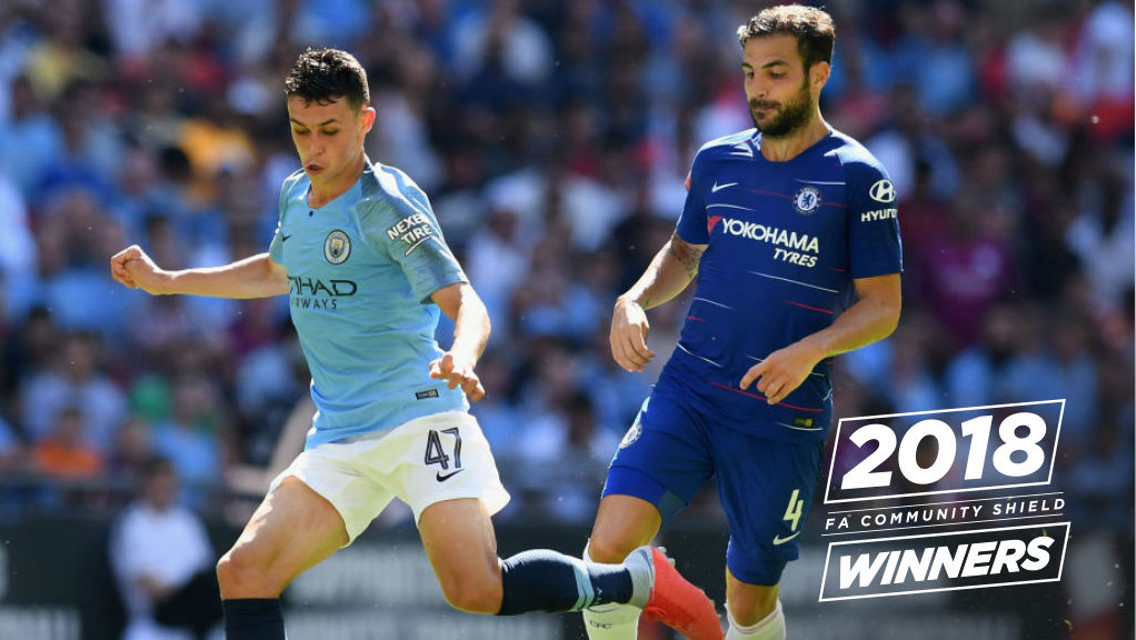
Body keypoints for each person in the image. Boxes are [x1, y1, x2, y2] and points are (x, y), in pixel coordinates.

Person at [109, 48, 720, 640]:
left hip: (418, 416)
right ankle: (634, 578)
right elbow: (277, 270)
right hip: (341, 432)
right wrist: (169, 281)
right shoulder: (296, 193)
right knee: (243, 573)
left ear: (365, 121)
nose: (315, 146)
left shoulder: (389, 206)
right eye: (301, 131)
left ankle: (632, 581)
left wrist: (464, 353)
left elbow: (466, 301)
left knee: (476, 590)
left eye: (330, 129)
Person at [580, 6, 903, 640]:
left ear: (819, 75)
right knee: (605, 555)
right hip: (691, 389)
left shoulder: (859, 177)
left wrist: (810, 350)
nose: (758, 88)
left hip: (780, 416)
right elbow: (681, 253)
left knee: (749, 605)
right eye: (751, 72)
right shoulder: (717, 161)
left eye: (776, 73)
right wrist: (634, 299)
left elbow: (883, 307)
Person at [110, 456, 220, 640]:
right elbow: (150, 588)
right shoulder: (131, 524)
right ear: (146, 483)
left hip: (198, 625)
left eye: (170, 480)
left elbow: (207, 573)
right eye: (160, 479)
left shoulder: (188, 522)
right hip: (153, 626)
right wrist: (184, 589)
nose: (166, 486)